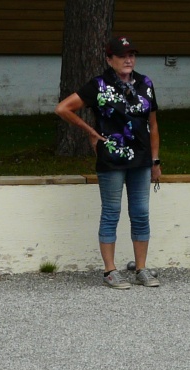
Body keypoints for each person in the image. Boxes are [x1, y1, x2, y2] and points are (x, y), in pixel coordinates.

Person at [55, 35, 162, 290]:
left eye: (131, 55)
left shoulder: (145, 84)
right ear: (109, 59)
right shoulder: (99, 85)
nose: (128, 60)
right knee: (111, 213)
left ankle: (141, 268)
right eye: (122, 56)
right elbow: (63, 108)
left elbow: (153, 124)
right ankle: (110, 270)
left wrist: (155, 160)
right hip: (112, 159)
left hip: (141, 159)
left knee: (141, 213)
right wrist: (90, 132)